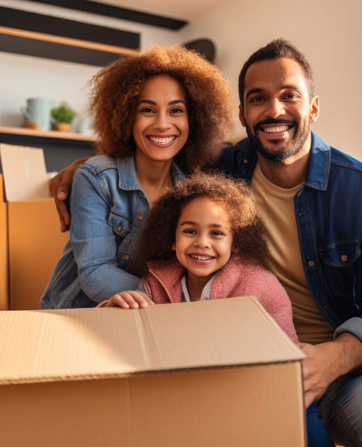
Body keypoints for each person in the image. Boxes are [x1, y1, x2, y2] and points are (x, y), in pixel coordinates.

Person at [51, 39, 362, 446]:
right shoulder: (222, 172)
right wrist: (80, 170)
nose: (274, 110)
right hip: (241, 353)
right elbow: (149, 157)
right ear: (242, 113)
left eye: (289, 96)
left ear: (314, 107)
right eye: (258, 99)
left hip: (345, 362)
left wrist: (335, 356)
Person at [39, 45, 233, 309]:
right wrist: (176, 300)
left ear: (194, 120)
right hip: (81, 313)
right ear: (126, 117)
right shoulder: (95, 179)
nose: (163, 124)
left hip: (154, 317)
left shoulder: (190, 190)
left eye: (176, 110)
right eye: (147, 110)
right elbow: (95, 273)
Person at [98, 172, 298, 342]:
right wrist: (114, 312)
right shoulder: (153, 285)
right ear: (172, 238)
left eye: (217, 233)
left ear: (235, 243)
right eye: (190, 231)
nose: (202, 243)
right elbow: (128, 345)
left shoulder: (262, 287)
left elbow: (287, 355)